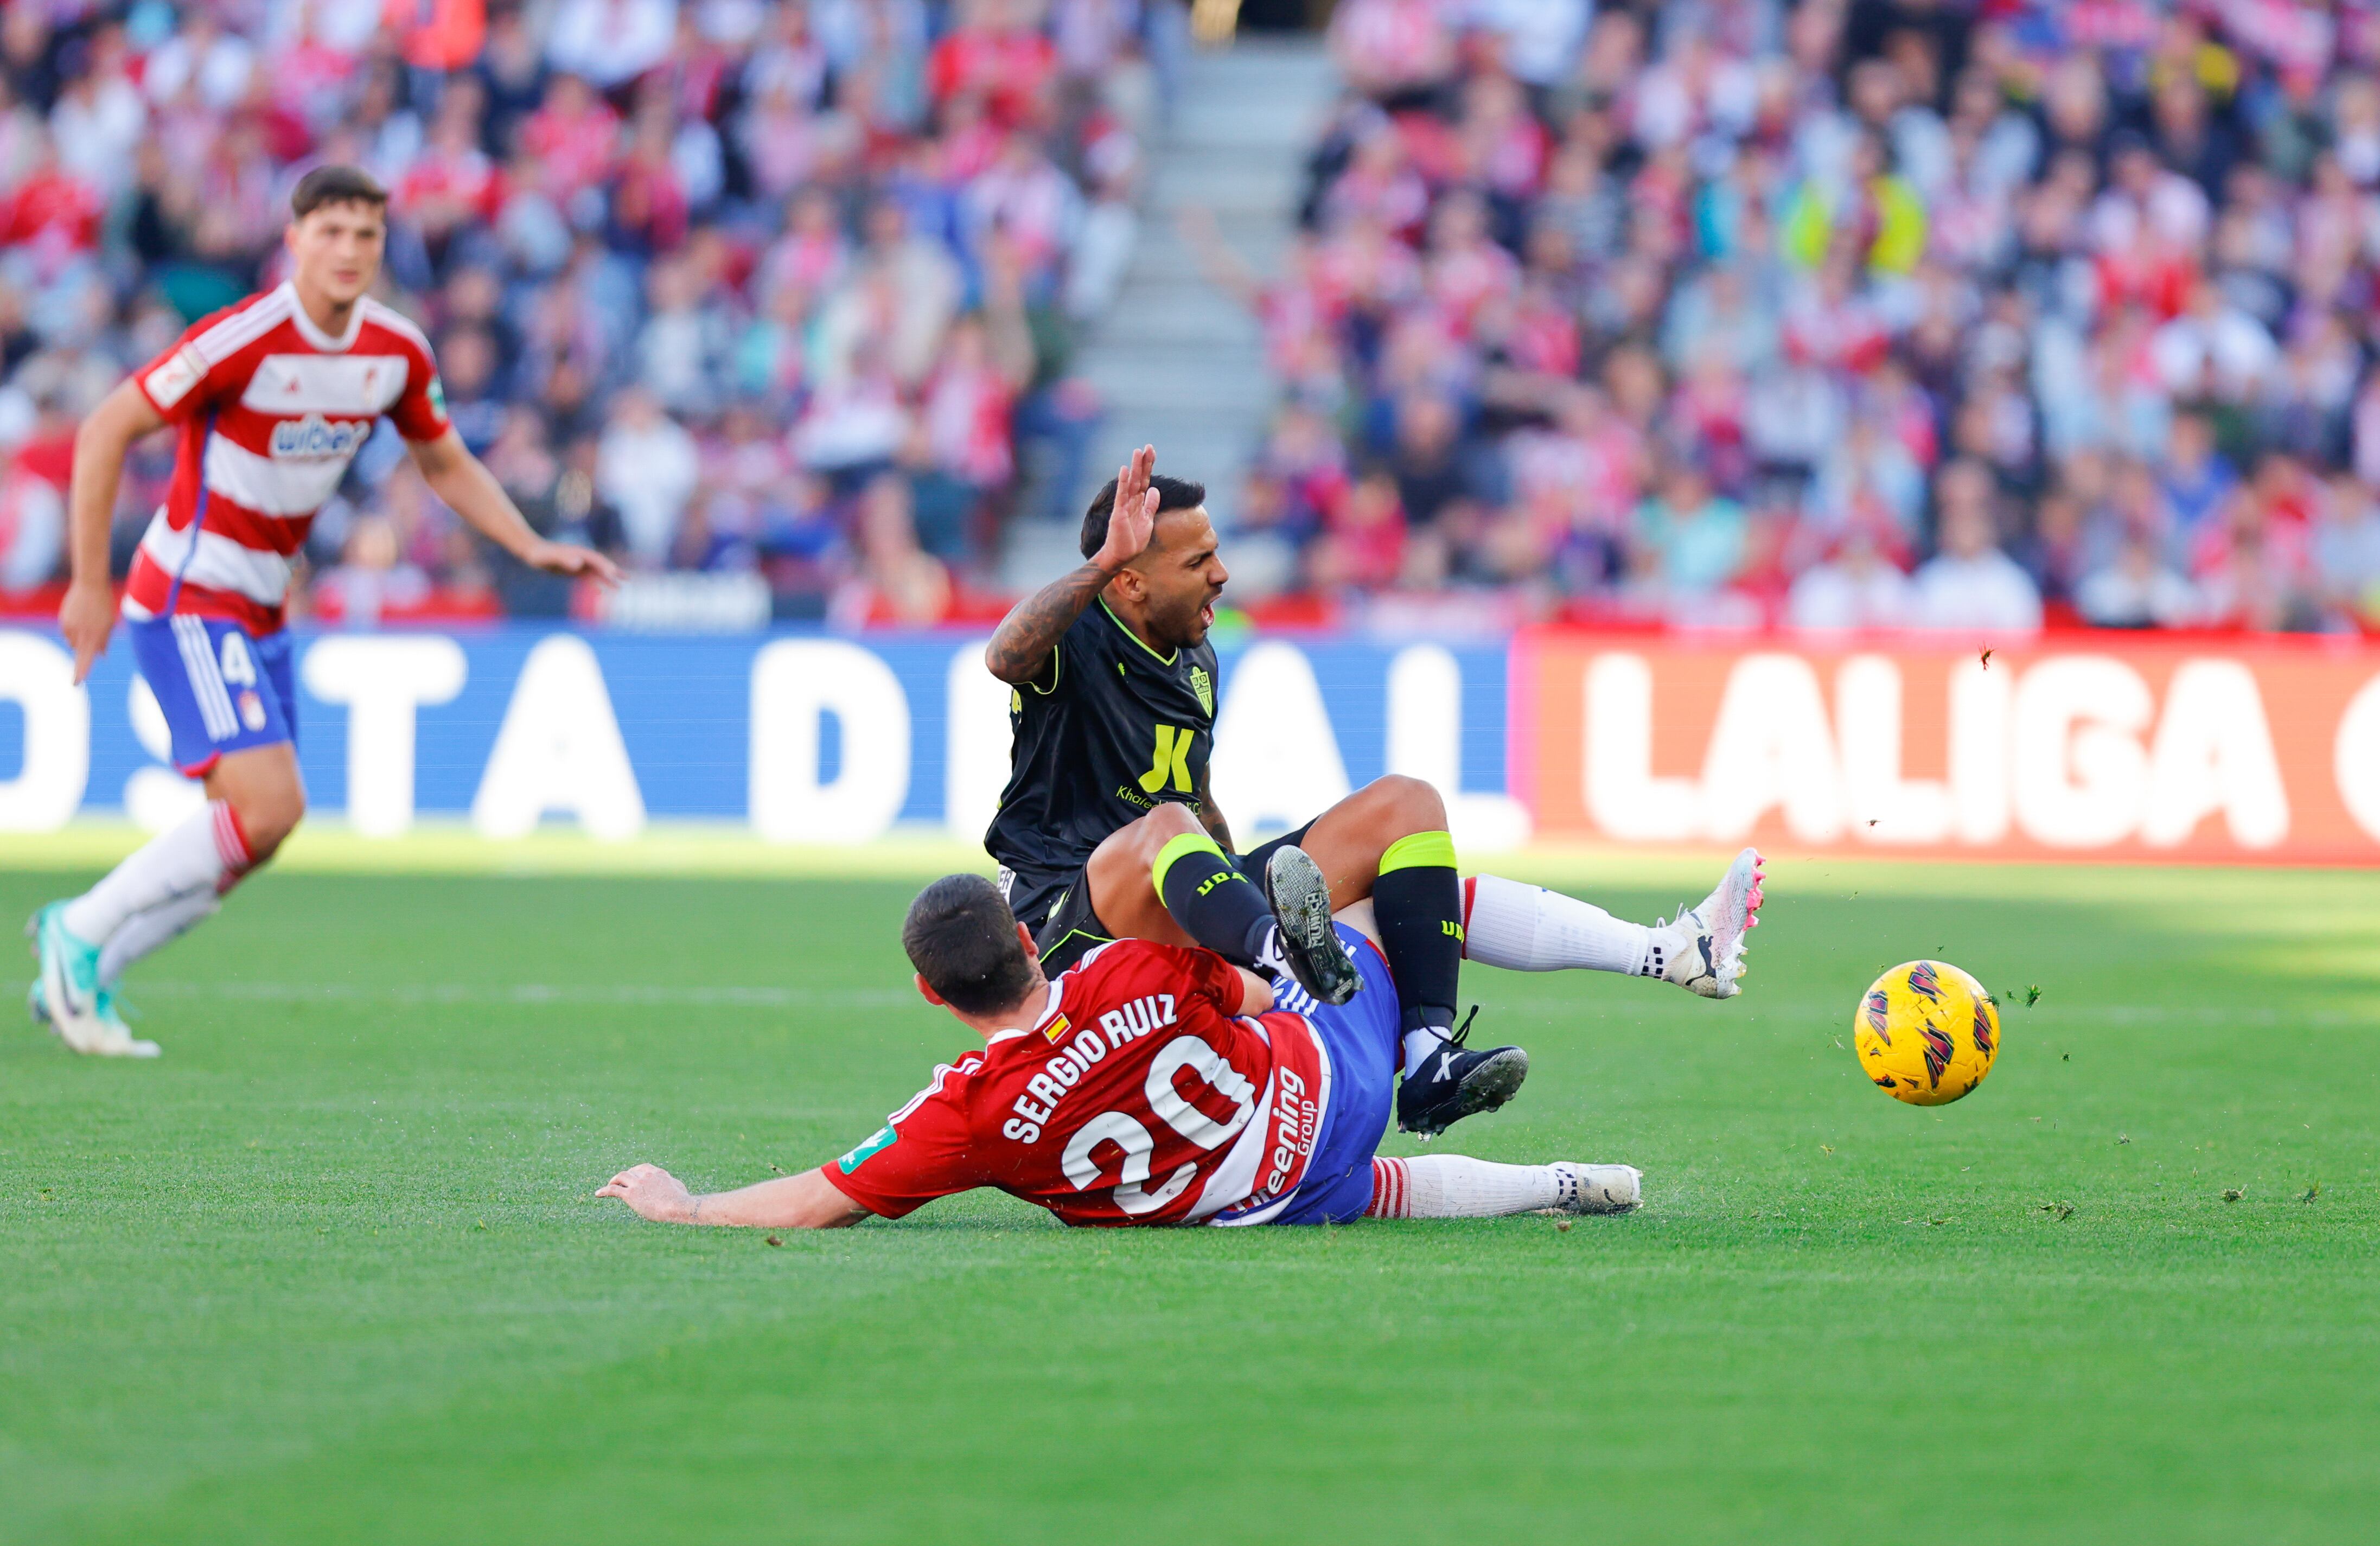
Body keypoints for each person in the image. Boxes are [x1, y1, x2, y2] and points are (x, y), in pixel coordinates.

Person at [977, 445, 1765, 1140]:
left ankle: (1455, 1047)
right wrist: (1098, 564)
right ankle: (1285, 953)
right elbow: (1003, 657)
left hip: (1184, 901)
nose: (1222, 573)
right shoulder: (1078, 634)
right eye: (1198, 562)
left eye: (1217, 552)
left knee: (1408, 823)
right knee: (1172, 829)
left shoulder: (1196, 658)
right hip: (1075, 928)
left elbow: (1198, 799)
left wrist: (1232, 881)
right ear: (1128, 582)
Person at [31, 165, 620, 1058]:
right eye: (331, 232)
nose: (349, 250)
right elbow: (107, 427)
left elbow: (443, 460)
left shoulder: (396, 351)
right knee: (268, 807)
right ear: (294, 239)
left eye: (366, 234)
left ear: (383, 246)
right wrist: (87, 583)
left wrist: (529, 542)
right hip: (191, 591)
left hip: (263, 604)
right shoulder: (243, 339)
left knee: (256, 832)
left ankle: (87, 967)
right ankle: (76, 930)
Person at [599, 873, 1642, 1231]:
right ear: (1026, 939)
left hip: (1251, 1204)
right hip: (1328, 1088)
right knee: (1394, 890)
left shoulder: (967, 1114)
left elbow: (821, 1197)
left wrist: (685, 1204)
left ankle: (1567, 1183)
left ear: (932, 994)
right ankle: (1432, 1047)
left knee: (1370, 1191)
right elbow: (1255, 995)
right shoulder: (1129, 967)